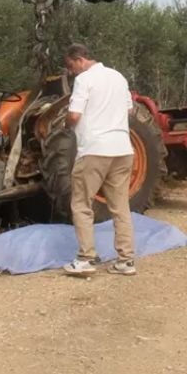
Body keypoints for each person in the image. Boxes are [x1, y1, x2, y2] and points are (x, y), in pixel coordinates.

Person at [60, 44, 137, 276]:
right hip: (123, 149)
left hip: (94, 150)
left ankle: (85, 259)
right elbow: (129, 110)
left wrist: (66, 124)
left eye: (71, 66)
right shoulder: (118, 77)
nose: (71, 71)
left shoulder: (84, 80)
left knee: (82, 204)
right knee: (120, 206)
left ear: (80, 59)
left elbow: (74, 115)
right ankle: (126, 260)